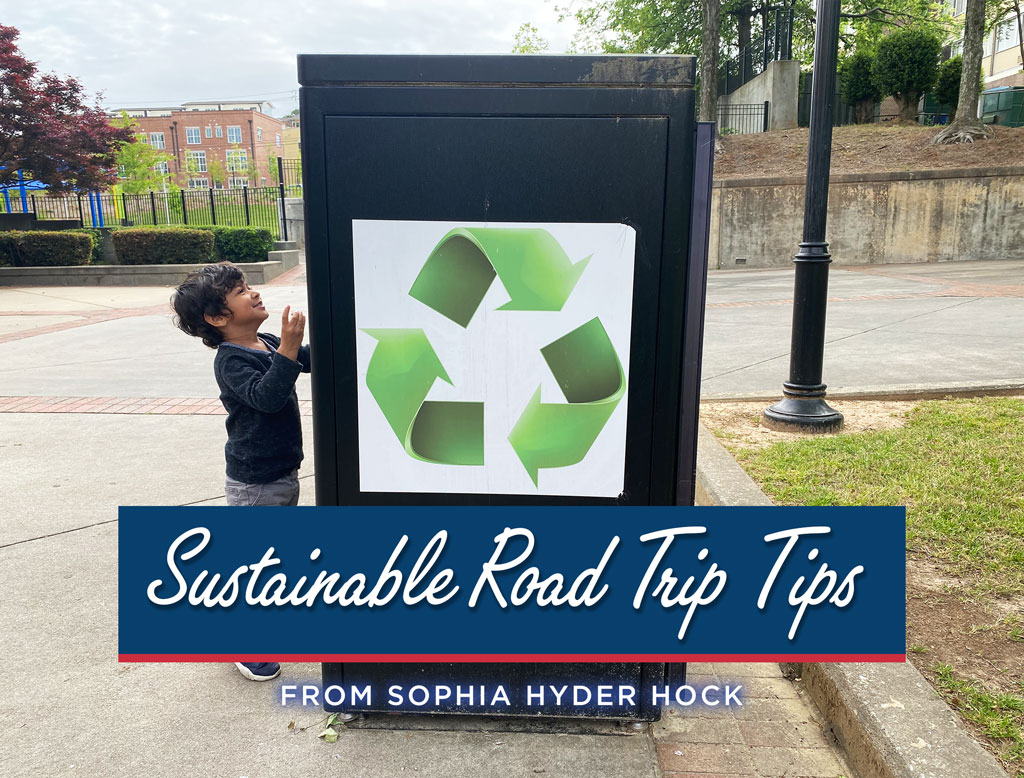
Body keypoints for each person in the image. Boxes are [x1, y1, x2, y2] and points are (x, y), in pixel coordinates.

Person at [170, 262, 308, 683]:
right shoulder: (231, 360)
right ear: (217, 318)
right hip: (255, 482)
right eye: (240, 291)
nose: (253, 293)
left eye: (248, 285)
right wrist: (287, 348)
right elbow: (266, 398)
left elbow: (310, 360)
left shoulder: (266, 341)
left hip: (282, 472)